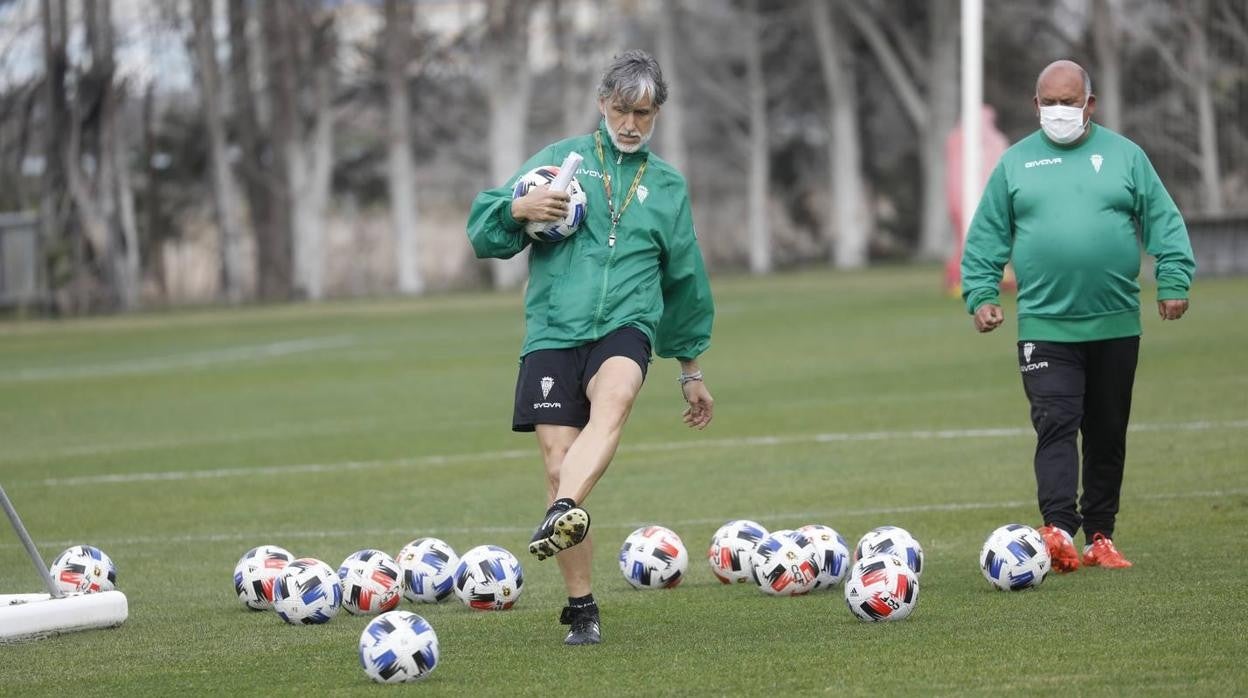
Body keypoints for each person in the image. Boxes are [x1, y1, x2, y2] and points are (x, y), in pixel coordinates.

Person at [466, 49, 715, 645]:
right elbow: (482, 229)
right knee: (559, 468)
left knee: (618, 397)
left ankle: (562, 511)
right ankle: (582, 606)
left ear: (657, 114)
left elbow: (684, 282)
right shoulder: (558, 162)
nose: (632, 124)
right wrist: (520, 210)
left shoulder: (668, 186)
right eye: (623, 109)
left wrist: (690, 368)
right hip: (553, 330)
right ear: (603, 101)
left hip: (626, 327)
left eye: (645, 114)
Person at [960, 59, 1195, 573]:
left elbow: (1164, 222)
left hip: (1115, 323)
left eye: (1069, 102)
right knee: (1056, 423)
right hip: (1045, 325)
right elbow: (985, 237)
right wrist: (980, 294)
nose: (1059, 111)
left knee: (1107, 431)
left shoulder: (1125, 156)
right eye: (1050, 102)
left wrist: (1173, 279)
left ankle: (1101, 536)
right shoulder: (1017, 163)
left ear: (1090, 104)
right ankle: (1058, 531)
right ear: (1035, 104)